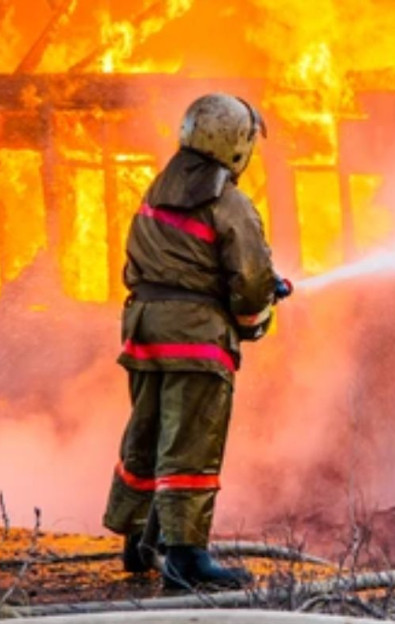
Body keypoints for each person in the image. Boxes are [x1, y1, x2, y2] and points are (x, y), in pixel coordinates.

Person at [102, 93, 291, 590]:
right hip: (196, 343)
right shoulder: (229, 203)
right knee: (190, 444)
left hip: (144, 334)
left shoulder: (155, 192)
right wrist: (255, 318)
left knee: (147, 434)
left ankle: (138, 539)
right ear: (235, 145)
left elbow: (145, 263)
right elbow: (251, 282)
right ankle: (185, 556)